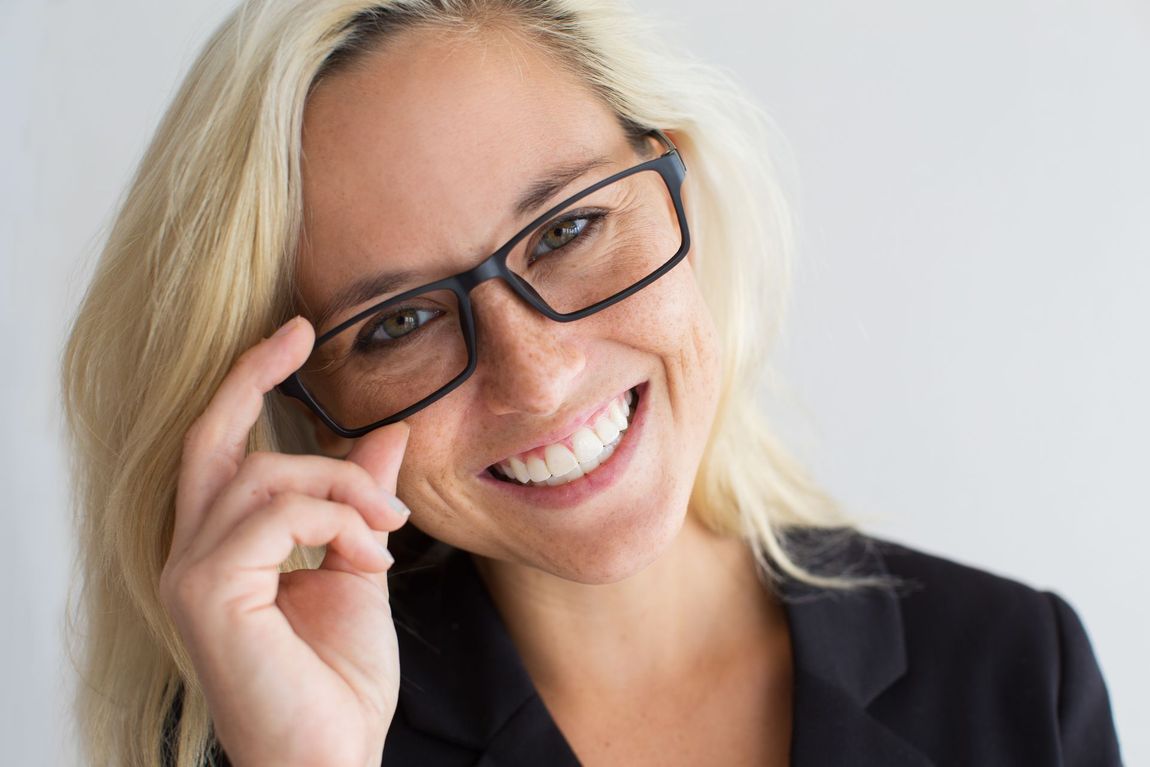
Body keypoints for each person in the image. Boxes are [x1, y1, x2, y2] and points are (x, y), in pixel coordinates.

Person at [61, 1, 1122, 765]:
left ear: (679, 189)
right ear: (304, 411)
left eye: (568, 227)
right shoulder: (259, 736)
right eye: (398, 322)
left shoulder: (1013, 669)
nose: (537, 374)